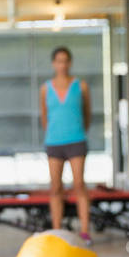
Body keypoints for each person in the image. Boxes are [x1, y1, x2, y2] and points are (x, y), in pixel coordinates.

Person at [39, 47, 91, 242]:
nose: (62, 65)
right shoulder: (45, 88)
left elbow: (86, 113)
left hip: (76, 139)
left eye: (65, 61)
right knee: (55, 187)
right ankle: (57, 231)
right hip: (54, 142)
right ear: (54, 64)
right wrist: (53, 133)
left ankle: (85, 231)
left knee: (79, 184)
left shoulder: (81, 85)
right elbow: (44, 116)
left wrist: (78, 130)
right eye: (58, 61)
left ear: (70, 63)